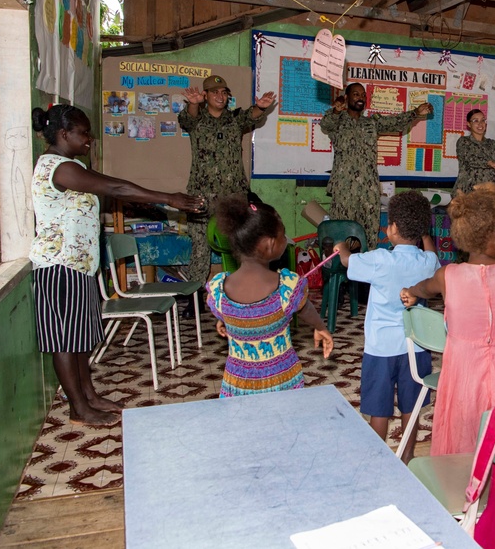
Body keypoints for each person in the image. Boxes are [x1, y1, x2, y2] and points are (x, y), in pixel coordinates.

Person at [30, 105, 204, 426]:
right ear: (63, 134)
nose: (89, 139)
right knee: (66, 340)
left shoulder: (71, 165)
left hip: (79, 266)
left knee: (79, 336)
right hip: (58, 267)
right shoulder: (57, 167)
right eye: (83, 133)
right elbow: (115, 187)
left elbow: (113, 190)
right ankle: (77, 408)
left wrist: (144, 199)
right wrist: (169, 198)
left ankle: (89, 396)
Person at [400, 183, 495, 455]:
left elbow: (424, 287)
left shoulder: (449, 276)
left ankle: (456, 480)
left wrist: (410, 293)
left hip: (464, 375)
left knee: (461, 433)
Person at [333, 191, 440, 462]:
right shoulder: (428, 262)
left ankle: (378, 460)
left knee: (379, 410)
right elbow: (431, 253)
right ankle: (407, 455)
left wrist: (341, 248)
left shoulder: (380, 259)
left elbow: (347, 261)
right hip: (415, 347)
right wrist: (425, 236)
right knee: (411, 406)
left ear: (391, 229)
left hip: (381, 348)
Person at [205, 196, 333, 397]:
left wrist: (225, 320)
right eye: (283, 235)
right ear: (269, 244)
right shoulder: (286, 287)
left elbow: (225, 312)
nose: (286, 239)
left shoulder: (218, 289)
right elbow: (306, 309)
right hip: (281, 381)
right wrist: (320, 327)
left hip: (239, 386)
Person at [179, 75, 276, 295]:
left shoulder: (234, 119)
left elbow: (250, 116)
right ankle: (194, 296)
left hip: (233, 196)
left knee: (238, 246)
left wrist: (260, 108)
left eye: (224, 92)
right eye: (215, 92)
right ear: (205, 96)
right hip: (202, 194)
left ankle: (240, 292)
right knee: (200, 248)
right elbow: (188, 119)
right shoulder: (197, 119)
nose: (220, 96)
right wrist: (193, 104)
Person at [320, 82, 432, 248]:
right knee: (342, 234)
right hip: (344, 190)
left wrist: (415, 113)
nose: (361, 98)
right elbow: (325, 124)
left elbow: (395, 123)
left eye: (363, 95)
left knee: (368, 235)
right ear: (346, 98)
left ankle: (368, 269)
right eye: (356, 94)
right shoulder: (337, 122)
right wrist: (336, 110)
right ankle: (341, 270)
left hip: (368, 189)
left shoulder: (371, 123)